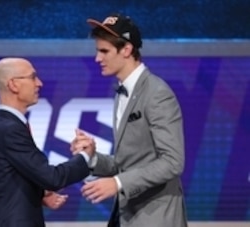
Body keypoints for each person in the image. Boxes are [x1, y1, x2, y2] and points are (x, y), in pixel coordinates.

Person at [71, 13, 188, 227]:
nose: (97, 59)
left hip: (155, 218)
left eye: (104, 51)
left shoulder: (157, 93)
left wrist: (117, 183)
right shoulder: (122, 92)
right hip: (128, 215)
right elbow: (130, 163)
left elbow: (173, 161)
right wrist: (93, 158)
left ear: (126, 49)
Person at [0, 57, 95, 227]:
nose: (39, 83)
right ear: (14, 85)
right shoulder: (10, 130)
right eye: (32, 77)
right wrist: (85, 155)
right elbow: (52, 178)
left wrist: (39, 193)